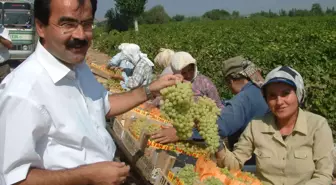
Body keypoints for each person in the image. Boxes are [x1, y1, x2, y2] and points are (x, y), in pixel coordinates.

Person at [0, 0, 182, 185]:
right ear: (40, 27)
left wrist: (150, 89)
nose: (80, 35)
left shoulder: (78, 66)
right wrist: (86, 176)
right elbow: (15, 180)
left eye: (86, 24)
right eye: (67, 24)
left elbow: (102, 105)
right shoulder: (22, 93)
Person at [216, 66, 334, 185]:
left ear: (299, 94)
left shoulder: (317, 126)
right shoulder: (256, 125)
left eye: (285, 94)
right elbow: (234, 165)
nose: (279, 102)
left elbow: (323, 176)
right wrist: (217, 145)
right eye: (272, 96)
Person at [151, 51, 223, 144]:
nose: (188, 75)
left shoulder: (205, 83)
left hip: (199, 134)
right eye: (184, 72)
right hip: (175, 131)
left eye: (191, 70)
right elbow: (160, 100)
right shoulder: (172, 83)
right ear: (176, 72)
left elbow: (219, 108)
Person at [217, 56, 269, 152]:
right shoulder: (263, 90)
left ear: (230, 81)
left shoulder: (243, 99)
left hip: (251, 161)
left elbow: (219, 128)